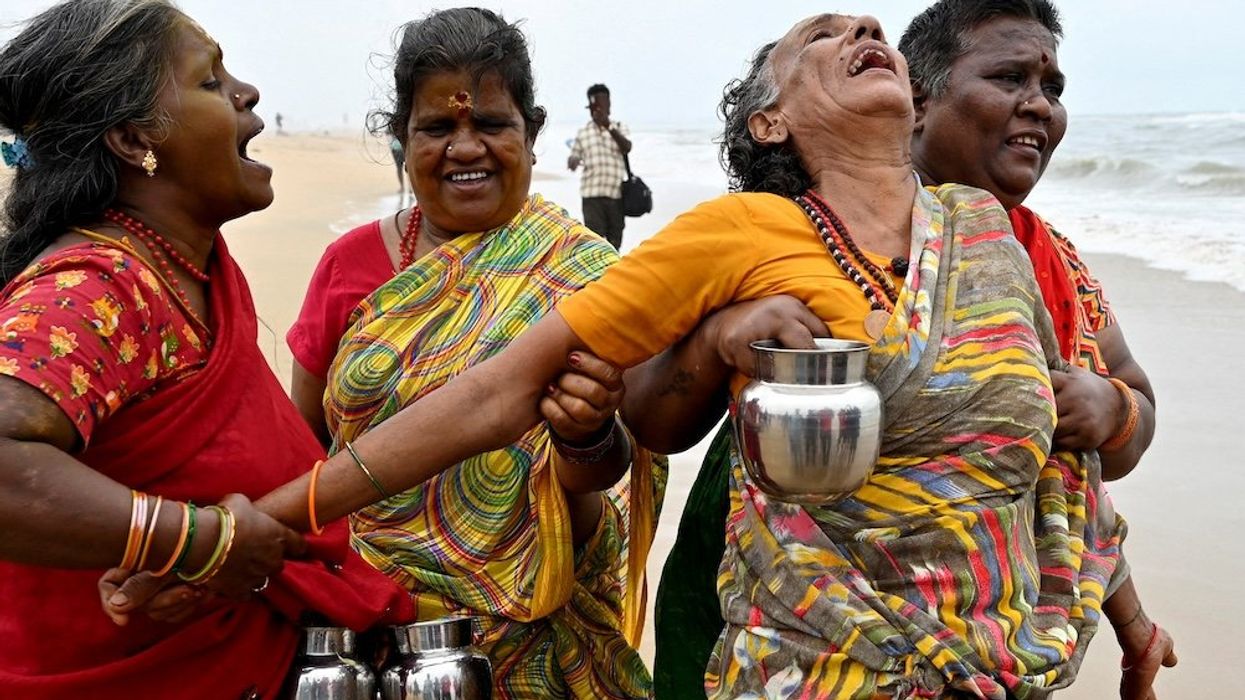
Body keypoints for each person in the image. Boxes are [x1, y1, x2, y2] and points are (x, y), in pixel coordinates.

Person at [254, 12, 1127, 698]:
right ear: (771, 120)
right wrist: (260, 519)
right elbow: (506, 393)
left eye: (866, 27)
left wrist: (1124, 613)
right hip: (820, 665)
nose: (861, 30)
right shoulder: (742, 234)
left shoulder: (988, 239)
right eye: (819, 36)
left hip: (1004, 663)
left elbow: (1054, 469)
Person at [647, 2, 1176, 699]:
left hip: (981, 632)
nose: (1037, 106)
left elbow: (1084, 467)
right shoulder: (790, 226)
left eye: (1051, 88)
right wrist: (721, 341)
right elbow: (653, 418)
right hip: (779, 600)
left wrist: (1113, 411)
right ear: (916, 101)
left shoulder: (1045, 260)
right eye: (1008, 77)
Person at [0, 1, 414, 697]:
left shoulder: (180, 273)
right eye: (210, 82)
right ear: (135, 140)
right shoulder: (98, 287)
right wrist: (198, 542)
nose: (247, 93)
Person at [286, 9, 663, 698]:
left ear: (531, 134)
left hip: (542, 636)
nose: (465, 148)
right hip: (372, 638)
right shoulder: (349, 264)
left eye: (490, 124)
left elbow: (610, 472)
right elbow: (303, 444)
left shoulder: (588, 275)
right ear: (401, 139)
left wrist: (584, 435)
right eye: (437, 128)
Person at [567, 83, 631, 249]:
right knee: (595, 244)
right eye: (592, 106)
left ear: (608, 104)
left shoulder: (619, 127)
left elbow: (627, 147)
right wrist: (572, 161)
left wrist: (608, 126)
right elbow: (574, 155)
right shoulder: (583, 133)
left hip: (615, 196)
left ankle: (611, 274)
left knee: (614, 243)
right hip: (591, 196)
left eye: (599, 105)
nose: (596, 110)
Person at [388, 135, 408, 200]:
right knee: (408, 168)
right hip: (404, 147)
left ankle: (402, 187)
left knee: (399, 168)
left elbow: (388, 135)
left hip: (396, 147)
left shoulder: (391, 127)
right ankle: (409, 188)